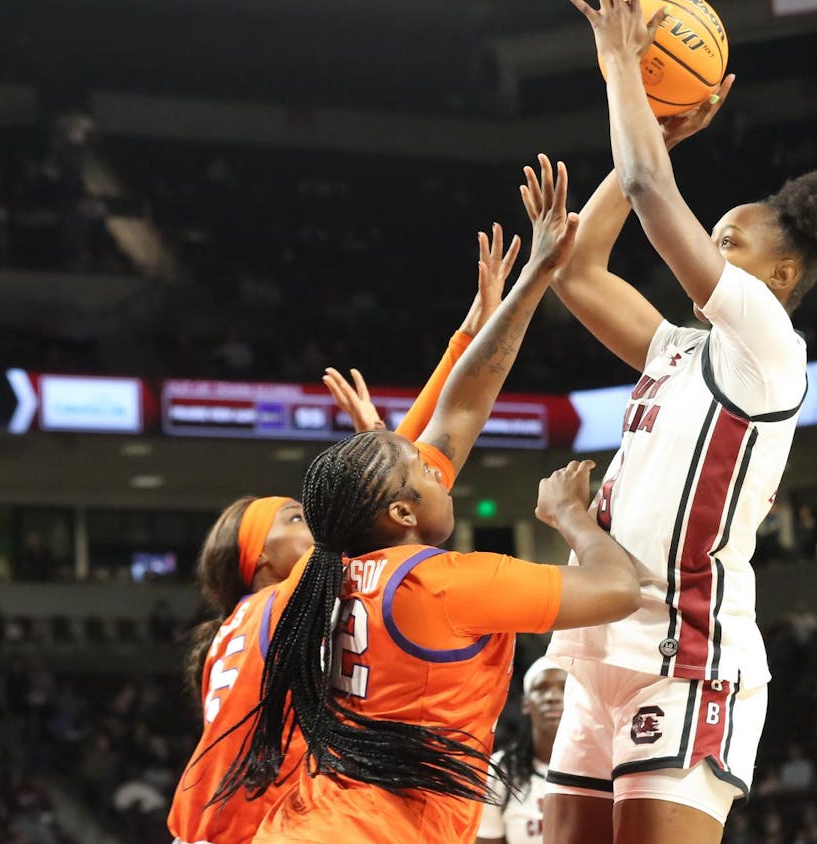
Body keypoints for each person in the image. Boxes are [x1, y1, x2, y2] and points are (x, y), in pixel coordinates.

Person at [221, 155, 643, 843]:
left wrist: (519, 292)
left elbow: (459, 412)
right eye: (421, 467)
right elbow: (617, 588)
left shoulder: (315, 576)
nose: (436, 459)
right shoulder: (444, 585)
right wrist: (571, 517)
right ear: (401, 514)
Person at [548, 3, 817, 841]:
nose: (710, 247)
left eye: (731, 241)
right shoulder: (680, 350)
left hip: (686, 657)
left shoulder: (771, 348)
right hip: (598, 639)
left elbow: (655, 196)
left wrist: (625, 73)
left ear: (783, 273)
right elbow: (577, 271)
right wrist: (661, 131)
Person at [169, 225, 520, 844]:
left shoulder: (235, 629)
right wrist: (388, 437)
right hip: (255, 830)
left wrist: (382, 441)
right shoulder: (291, 593)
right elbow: (413, 473)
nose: (314, 525)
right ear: (261, 562)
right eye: (294, 520)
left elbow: (396, 480)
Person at [479, 658, 569, 844]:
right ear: (526, 703)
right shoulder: (499, 770)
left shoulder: (603, 762)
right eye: (541, 688)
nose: (552, 696)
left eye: (564, 688)